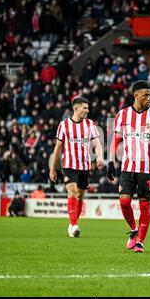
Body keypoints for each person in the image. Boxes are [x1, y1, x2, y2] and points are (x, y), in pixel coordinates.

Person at [107, 80, 150, 253]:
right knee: (124, 202)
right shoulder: (122, 115)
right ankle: (133, 230)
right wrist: (110, 162)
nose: (149, 98)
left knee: (144, 205)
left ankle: (141, 242)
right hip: (127, 167)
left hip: (147, 169)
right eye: (146, 95)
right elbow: (115, 141)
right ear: (136, 95)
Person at [49, 97, 103, 238]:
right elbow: (58, 147)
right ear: (76, 108)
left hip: (84, 166)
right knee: (72, 193)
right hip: (69, 165)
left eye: (87, 108)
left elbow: (97, 144)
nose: (87, 110)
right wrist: (52, 168)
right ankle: (74, 226)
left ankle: (73, 223)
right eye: (84, 108)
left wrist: (99, 157)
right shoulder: (64, 125)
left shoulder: (90, 124)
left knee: (80, 196)